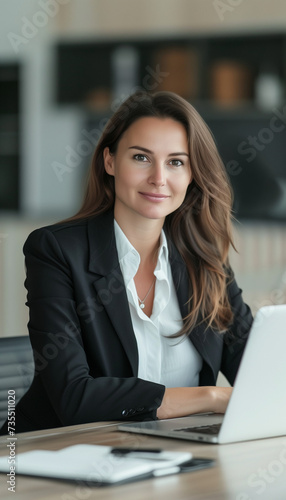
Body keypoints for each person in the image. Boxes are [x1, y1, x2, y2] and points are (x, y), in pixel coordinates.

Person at [0, 91, 252, 435]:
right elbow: (75, 399)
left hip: (167, 457)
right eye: (141, 157)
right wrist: (210, 396)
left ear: (193, 174)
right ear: (110, 161)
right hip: (51, 457)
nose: (159, 178)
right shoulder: (57, 251)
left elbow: (262, 378)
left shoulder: (207, 263)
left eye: (176, 162)